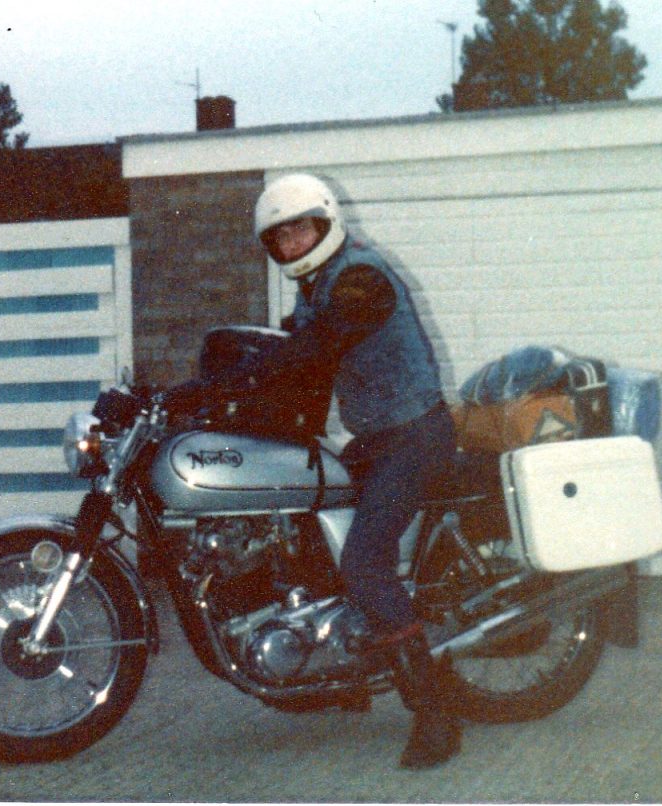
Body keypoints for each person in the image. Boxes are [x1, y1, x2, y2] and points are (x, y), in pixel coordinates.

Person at [244, 173, 464, 770]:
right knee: (311, 532)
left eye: (299, 228)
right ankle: (347, 678)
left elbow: (314, 350)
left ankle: (437, 712)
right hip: (377, 439)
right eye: (279, 236)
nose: (291, 242)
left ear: (325, 222)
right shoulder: (316, 289)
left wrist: (256, 375)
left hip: (415, 436)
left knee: (364, 564)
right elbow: (296, 353)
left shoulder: (360, 278)